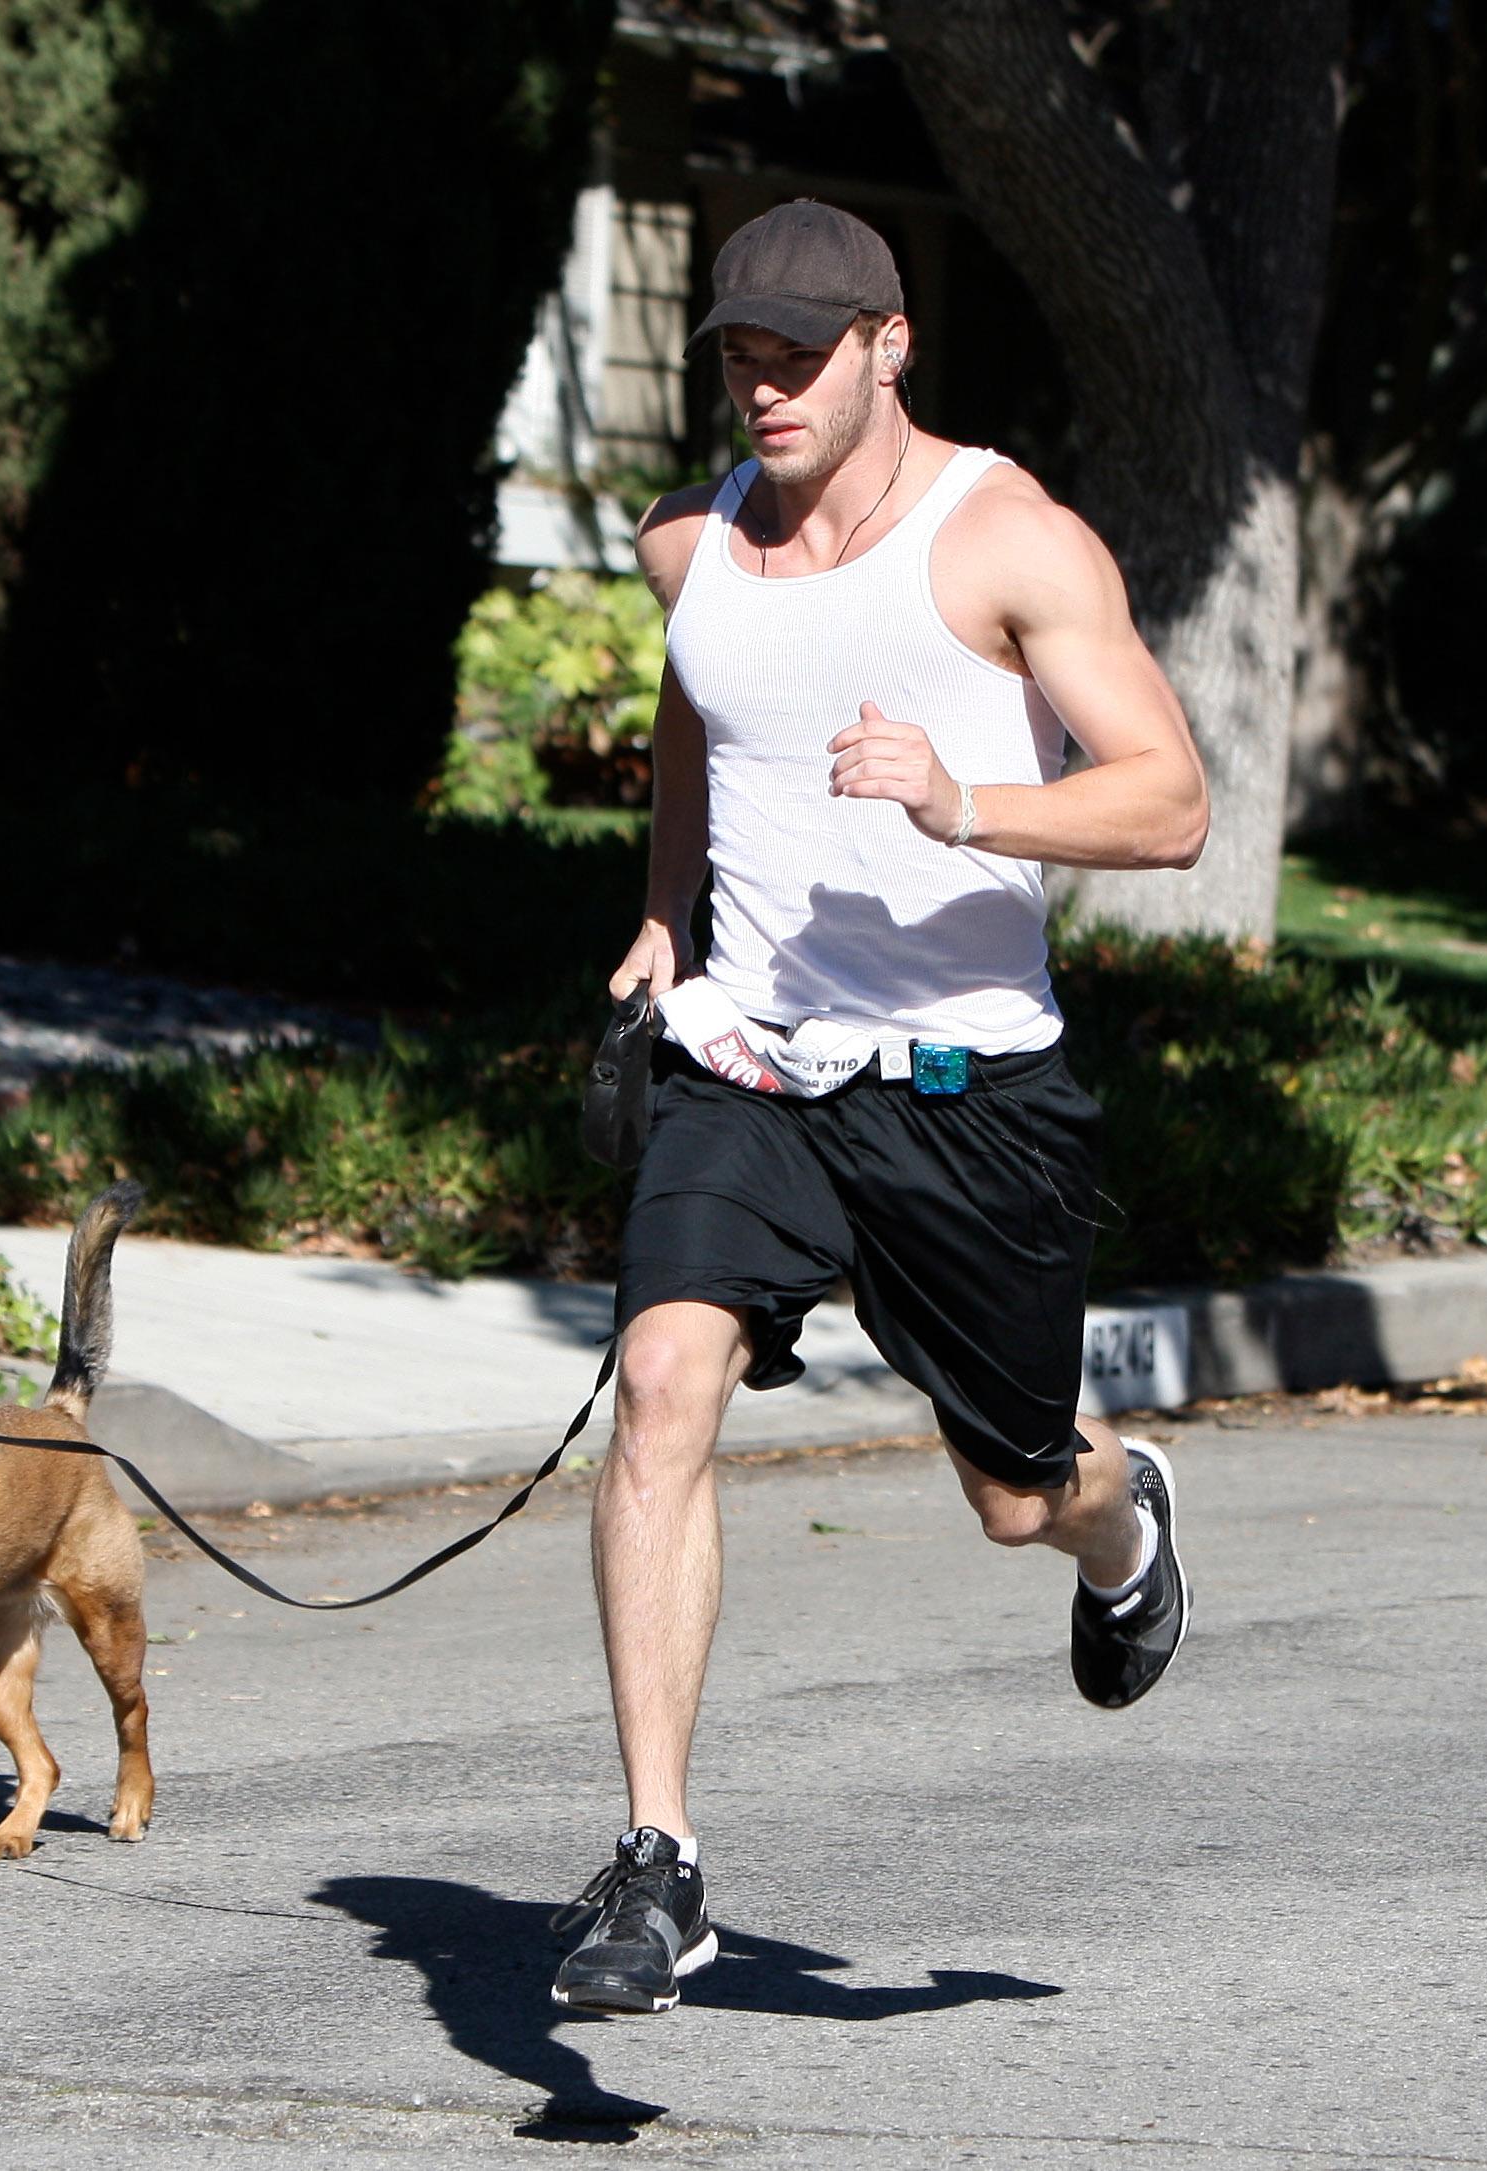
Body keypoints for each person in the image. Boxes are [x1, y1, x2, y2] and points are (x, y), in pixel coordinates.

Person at [548, 201, 1210, 2017]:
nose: (758, 386)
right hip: (749, 1069)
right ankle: (658, 1861)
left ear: (886, 345)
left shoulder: (1000, 541)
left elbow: (1166, 802)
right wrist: (671, 905)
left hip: (964, 1094)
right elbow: (703, 713)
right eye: (735, 356)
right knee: (663, 1389)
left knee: (1016, 1500)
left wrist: (962, 806)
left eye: (794, 353)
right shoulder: (691, 543)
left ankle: (1122, 1516)